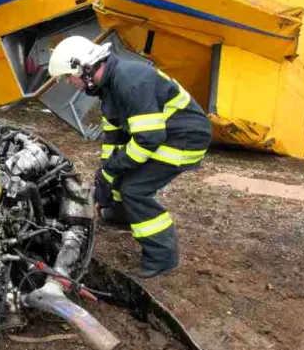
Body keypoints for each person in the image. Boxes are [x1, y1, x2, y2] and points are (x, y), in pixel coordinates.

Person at [48, 36, 212, 278]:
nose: (70, 83)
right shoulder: (108, 89)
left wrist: (112, 171)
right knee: (117, 177)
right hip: (163, 134)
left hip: (184, 138)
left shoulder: (130, 80)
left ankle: (163, 256)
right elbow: (113, 141)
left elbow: (149, 139)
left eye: (68, 76)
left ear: (83, 67)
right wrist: (103, 177)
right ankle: (121, 214)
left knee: (134, 189)